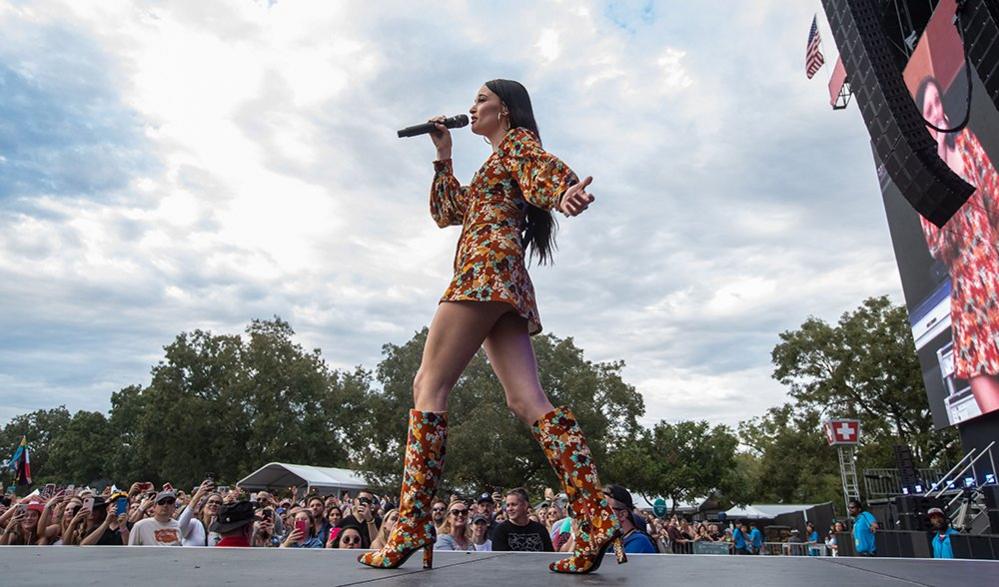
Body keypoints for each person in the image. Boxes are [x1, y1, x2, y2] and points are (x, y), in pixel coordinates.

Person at [359, 79, 617, 576]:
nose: (471, 106)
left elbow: (540, 168)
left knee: (428, 386)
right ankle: (594, 512)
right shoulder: (491, 167)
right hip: (509, 280)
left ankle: (411, 525)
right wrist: (443, 155)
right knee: (527, 402)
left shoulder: (517, 145)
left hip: (484, 271)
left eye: (481, 99)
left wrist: (563, 193)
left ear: (506, 109)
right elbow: (446, 213)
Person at [915, 75, 999, 414]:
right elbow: (937, 245)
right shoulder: (925, 174)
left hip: (993, 270)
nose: (937, 113)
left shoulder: (966, 143)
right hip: (966, 291)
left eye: (938, 105)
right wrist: (944, 166)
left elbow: (994, 194)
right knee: (980, 377)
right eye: (929, 109)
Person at [491, 488, 554, 553]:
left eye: (513, 504)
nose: (510, 509)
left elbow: (550, 556)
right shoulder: (501, 530)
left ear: (525, 505)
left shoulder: (540, 529)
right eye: (508, 505)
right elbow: (499, 560)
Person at [603, 485, 654, 554]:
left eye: (604, 508)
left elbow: (621, 563)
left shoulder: (638, 542)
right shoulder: (617, 541)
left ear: (622, 515)